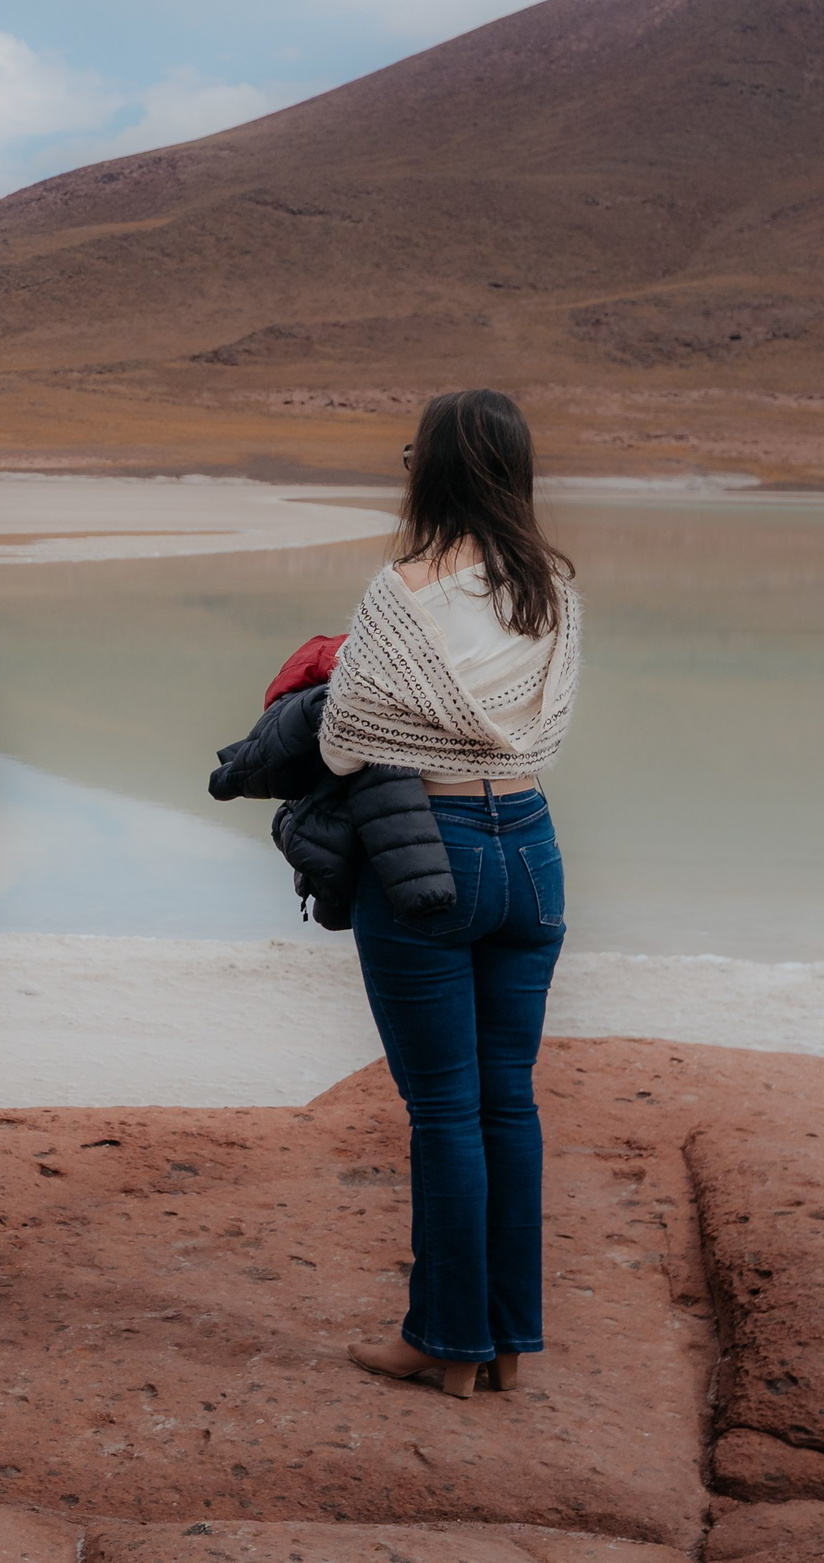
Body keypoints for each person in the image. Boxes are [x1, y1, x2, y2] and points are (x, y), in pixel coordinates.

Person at [326, 389, 581, 1401]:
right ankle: (507, 1340)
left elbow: (344, 740)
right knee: (507, 1100)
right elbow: (534, 729)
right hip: (531, 847)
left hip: (431, 853)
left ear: (431, 470)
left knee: (443, 1110)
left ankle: (444, 1340)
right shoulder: (552, 591)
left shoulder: (401, 591)